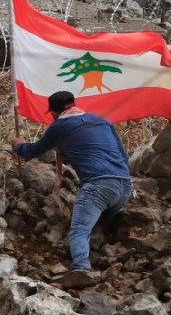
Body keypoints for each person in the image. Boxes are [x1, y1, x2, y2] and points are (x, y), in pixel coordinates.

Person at [11, 91, 132, 285]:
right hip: (124, 186)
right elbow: (124, 158)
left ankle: (81, 268)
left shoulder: (60, 125)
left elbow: (32, 151)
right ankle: (115, 223)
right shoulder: (101, 121)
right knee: (100, 216)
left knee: (79, 230)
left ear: (53, 113)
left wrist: (17, 145)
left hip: (98, 187)